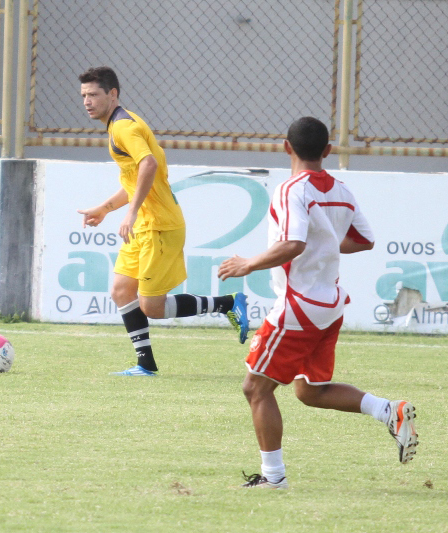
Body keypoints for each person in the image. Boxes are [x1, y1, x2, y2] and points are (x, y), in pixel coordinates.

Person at [218, 117, 418, 489]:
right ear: (327, 151)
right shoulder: (341, 189)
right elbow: (365, 239)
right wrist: (325, 244)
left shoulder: (290, 189)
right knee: (310, 390)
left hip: (298, 305)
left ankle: (273, 479)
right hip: (330, 304)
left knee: (255, 388)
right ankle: (388, 410)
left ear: (285, 147)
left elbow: (292, 244)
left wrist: (248, 262)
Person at [77, 66, 249, 376]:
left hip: (159, 225)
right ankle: (146, 364)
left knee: (152, 307)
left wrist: (130, 212)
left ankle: (227, 303)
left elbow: (149, 165)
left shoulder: (123, 128)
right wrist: (106, 208)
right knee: (120, 290)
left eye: (94, 94)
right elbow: (134, 178)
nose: (87, 101)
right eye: (84, 96)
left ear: (112, 94)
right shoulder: (121, 123)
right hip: (144, 224)